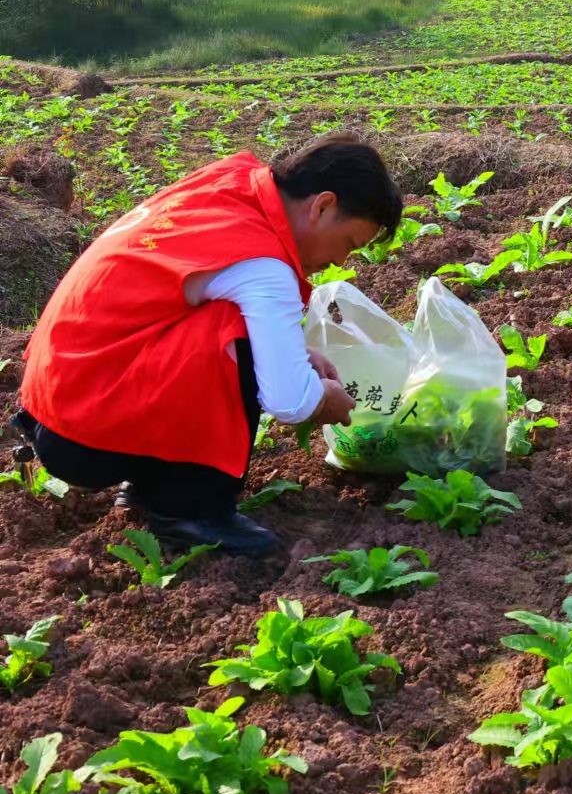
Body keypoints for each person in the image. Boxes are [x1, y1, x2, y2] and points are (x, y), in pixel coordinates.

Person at [11, 134, 402, 557]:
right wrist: (323, 398)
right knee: (235, 336)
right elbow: (290, 401)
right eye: (349, 244)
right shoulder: (263, 264)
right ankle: (192, 509)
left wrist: (298, 355)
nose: (341, 263)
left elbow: (176, 302)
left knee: (235, 331)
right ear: (322, 205)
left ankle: (148, 485)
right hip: (84, 437)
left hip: (58, 397)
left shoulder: (232, 184)